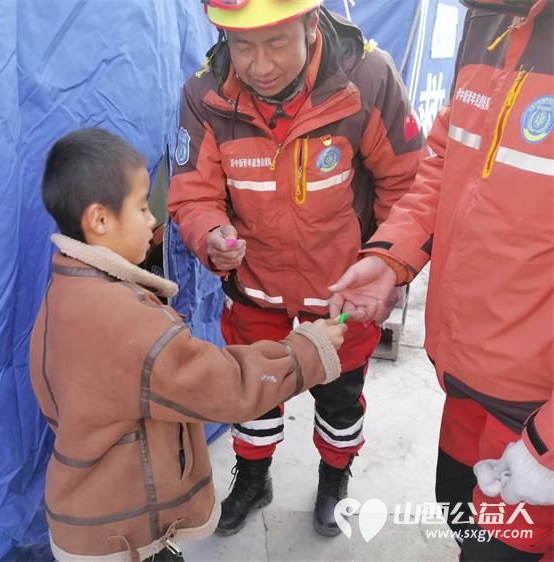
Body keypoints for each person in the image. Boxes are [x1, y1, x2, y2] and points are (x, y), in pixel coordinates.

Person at [29, 128, 348, 562]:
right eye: (142, 207)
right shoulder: (124, 321)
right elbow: (227, 386)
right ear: (100, 220)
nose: (151, 220)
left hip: (89, 515)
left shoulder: (67, 289)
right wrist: (308, 349)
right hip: (125, 535)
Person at [167, 0, 424, 537]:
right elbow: (193, 195)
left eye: (276, 43)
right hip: (254, 293)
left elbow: (408, 185)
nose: (259, 65)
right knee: (254, 394)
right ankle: (252, 478)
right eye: (242, 46)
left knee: (340, 399)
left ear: (310, 24)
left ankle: (335, 477)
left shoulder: (367, 78)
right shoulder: (204, 95)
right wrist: (211, 234)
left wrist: (385, 265)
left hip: (340, 299)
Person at [328, 1, 553, 559]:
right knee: (456, 510)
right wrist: (391, 257)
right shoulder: (488, 18)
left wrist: (548, 446)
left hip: (536, 408)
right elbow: (447, 163)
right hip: (465, 373)